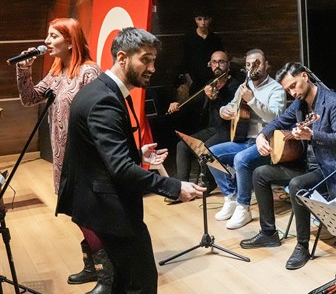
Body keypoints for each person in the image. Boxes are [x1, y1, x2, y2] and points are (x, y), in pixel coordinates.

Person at [55, 27, 205, 293]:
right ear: (122, 58)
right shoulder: (104, 100)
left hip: (97, 201)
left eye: (153, 61)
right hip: (107, 207)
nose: (152, 67)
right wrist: (175, 186)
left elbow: (100, 151)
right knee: (141, 283)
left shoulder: (101, 89)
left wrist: (138, 154)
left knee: (123, 281)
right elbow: (120, 169)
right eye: (145, 59)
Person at [15, 18, 105, 291]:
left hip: (83, 156)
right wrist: (23, 71)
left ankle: (107, 273)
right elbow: (30, 98)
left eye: (54, 36)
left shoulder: (88, 72)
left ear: (70, 40)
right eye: (48, 35)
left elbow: (99, 117)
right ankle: (95, 264)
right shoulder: (57, 72)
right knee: (77, 213)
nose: (47, 41)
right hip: (61, 156)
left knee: (85, 212)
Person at [240, 62, 336, 270]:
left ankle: (302, 246)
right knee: (260, 173)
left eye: (293, 86)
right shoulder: (299, 104)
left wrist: (314, 135)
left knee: (298, 184)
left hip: (327, 168)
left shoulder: (334, 102)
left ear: (304, 76)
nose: (292, 92)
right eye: (288, 89)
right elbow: (279, 121)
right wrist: (262, 136)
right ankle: (268, 233)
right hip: (305, 165)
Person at [208, 49, 286, 229]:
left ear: (266, 65)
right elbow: (231, 106)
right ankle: (231, 197)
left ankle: (244, 207)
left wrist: (252, 100)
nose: (253, 68)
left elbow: (276, 117)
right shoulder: (244, 85)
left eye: (257, 63)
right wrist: (224, 111)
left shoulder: (276, 88)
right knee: (210, 152)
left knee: (240, 159)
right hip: (243, 139)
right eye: (249, 64)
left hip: (266, 142)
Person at [167, 50, 238, 191]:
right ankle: (182, 186)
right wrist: (178, 104)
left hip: (228, 129)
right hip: (213, 129)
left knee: (205, 149)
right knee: (182, 145)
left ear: (228, 65)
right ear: (210, 65)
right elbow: (194, 100)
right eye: (214, 62)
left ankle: (209, 183)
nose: (217, 65)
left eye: (221, 62)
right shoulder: (210, 84)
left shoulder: (235, 86)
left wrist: (215, 98)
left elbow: (229, 110)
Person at [177, 9, 225, 133]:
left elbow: (221, 57)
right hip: (196, 82)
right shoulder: (189, 38)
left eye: (206, 19)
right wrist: (188, 82)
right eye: (199, 19)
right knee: (194, 112)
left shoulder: (215, 38)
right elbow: (184, 62)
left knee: (212, 110)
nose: (203, 22)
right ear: (195, 20)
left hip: (214, 81)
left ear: (210, 20)